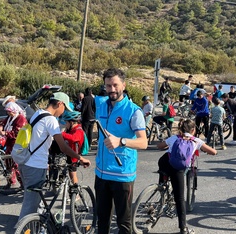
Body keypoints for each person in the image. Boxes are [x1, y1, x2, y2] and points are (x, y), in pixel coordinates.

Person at [16, 92, 91, 226]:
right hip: (36, 166)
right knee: (30, 206)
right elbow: (63, 146)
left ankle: (37, 225)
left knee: (35, 201)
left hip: (25, 162)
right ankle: (24, 227)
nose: (63, 113)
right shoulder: (50, 120)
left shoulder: (37, 114)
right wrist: (80, 158)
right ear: (59, 104)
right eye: (64, 109)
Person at [95, 68, 147, 234]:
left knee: (123, 224)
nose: (112, 89)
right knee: (102, 221)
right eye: (108, 85)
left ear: (123, 85)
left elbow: (143, 142)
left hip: (122, 174)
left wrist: (121, 141)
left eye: (115, 85)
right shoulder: (101, 105)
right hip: (101, 173)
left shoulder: (133, 111)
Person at [157, 118, 216, 234]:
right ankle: (183, 228)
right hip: (177, 168)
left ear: (181, 128)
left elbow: (159, 146)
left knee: (164, 169)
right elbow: (213, 152)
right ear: (193, 129)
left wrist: (166, 145)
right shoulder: (196, 141)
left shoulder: (174, 138)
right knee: (179, 198)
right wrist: (213, 152)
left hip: (164, 162)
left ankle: (161, 187)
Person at [0, 102, 27, 189]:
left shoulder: (20, 119)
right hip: (9, 144)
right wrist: (0, 127)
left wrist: (5, 132)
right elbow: (3, 122)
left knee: (16, 164)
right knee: (8, 163)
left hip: (17, 144)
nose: (8, 113)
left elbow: (17, 132)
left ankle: (22, 183)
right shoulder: (10, 118)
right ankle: (10, 182)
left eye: (9, 111)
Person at [60, 111, 85, 184]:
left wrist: (62, 134)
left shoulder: (79, 129)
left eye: (66, 122)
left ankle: (76, 193)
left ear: (72, 122)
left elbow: (74, 138)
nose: (65, 124)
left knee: (72, 174)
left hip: (74, 156)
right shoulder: (70, 129)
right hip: (68, 153)